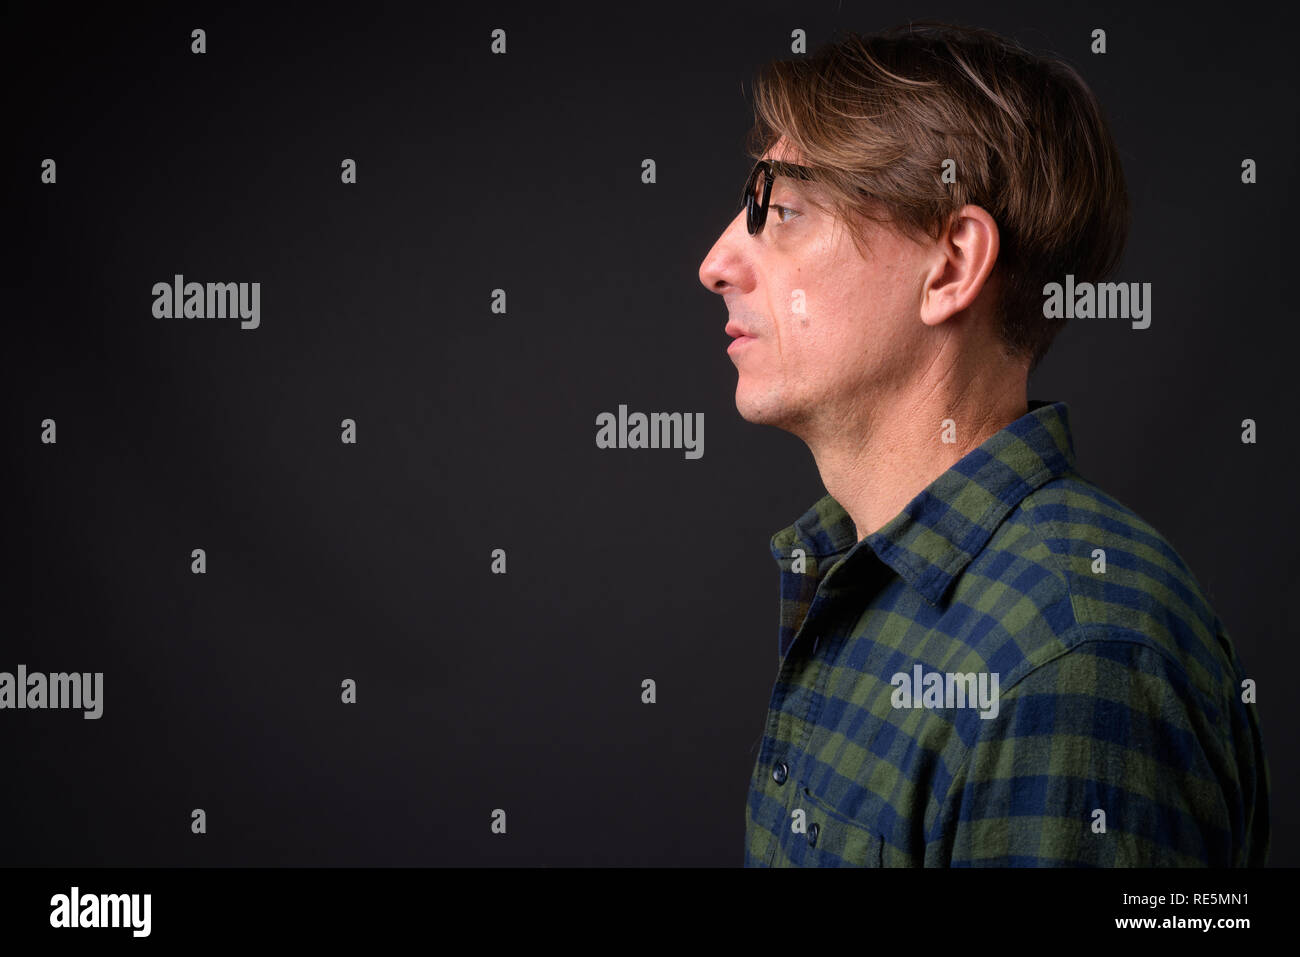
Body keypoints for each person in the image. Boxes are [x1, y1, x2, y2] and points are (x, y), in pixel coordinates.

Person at [697, 21, 1269, 866]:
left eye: (783, 210)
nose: (716, 262)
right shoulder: (861, 581)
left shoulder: (1074, 661)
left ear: (952, 265)